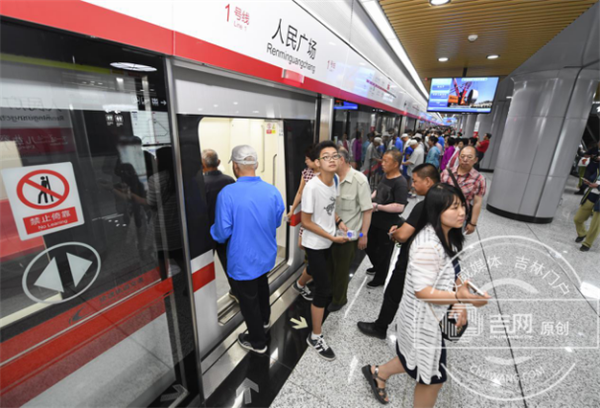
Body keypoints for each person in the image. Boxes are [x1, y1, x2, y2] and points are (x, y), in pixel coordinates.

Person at [362, 183, 490, 406]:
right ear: (436, 211)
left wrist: (459, 301)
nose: (462, 212)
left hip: (428, 317)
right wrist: (460, 298)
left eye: (462, 206)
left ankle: (378, 373)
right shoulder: (428, 245)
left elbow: (451, 270)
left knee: (412, 358)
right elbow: (422, 291)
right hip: (421, 321)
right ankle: (378, 373)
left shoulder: (445, 235)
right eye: (454, 208)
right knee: (432, 379)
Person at [211, 145, 285, 354]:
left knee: (248, 300)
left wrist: (212, 230)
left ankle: (257, 341)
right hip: (265, 255)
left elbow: (221, 233)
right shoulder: (272, 191)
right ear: (257, 164)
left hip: (243, 259)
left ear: (235, 166)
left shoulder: (227, 194)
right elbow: (276, 222)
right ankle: (264, 320)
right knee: (262, 287)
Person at [358, 163, 440, 339]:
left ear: (428, 181)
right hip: (430, 260)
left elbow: (402, 236)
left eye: (416, 181)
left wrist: (396, 233)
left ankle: (381, 327)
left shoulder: (424, 205)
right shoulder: (446, 200)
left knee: (393, 292)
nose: (413, 185)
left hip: (412, 259)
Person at [301, 140, 349, 361]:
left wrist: (339, 222)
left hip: (328, 240)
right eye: (326, 157)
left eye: (334, 156)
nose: (331, 159)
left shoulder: (335, 180)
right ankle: (315, 336)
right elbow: (306, 221)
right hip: (315, 243)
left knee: (316, 271)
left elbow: (330, 209)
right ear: (318, 163)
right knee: (324, 289)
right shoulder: (312, 187)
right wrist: (331, 236)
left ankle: (299, 284)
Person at [329, 148, 372, 311]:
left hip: (348, 235)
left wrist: (363, 235)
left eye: (332, 158)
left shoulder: (359, 180)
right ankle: (331, 293)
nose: (329, 162)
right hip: (329, 232)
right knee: (331, 266)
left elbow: (367, 210)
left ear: (342, 160)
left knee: (341, 270)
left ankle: (339, 300)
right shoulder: (331, 178)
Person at [365, 150, 408, 288]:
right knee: (369, 245)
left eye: (385, 161)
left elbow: (399, 206)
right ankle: (377, 266)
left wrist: (378, 207)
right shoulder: (385, 175)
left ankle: (380, 277)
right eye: (382, 160)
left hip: (387, 223)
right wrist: (369, 198)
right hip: (374, 219)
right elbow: (378, 191)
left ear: (395, 164)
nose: (382, 163)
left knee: (384, 252)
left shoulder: (400, 183)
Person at [201, 149, 236, 299]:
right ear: (219, 162)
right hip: (227, 230)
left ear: (202, 165)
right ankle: (236, 291)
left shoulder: (200, 185)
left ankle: (204, 297)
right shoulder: (230, 181)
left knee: (204, 266)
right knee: (229, 262)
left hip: (206, 233)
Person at [288, 146, 319, 302]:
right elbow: (300, 192)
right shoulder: (306, 173)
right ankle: (310, 272)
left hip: (319, 219)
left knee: (314, 251)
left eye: (308, 159)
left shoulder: (326, 175)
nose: (305, 161)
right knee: (302, 245)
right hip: (308, 217)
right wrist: (292, 210)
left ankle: (307, 276)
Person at [441, 146, 486, 235]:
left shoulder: (479, 179)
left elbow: (477, 203)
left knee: (454, 240)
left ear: (476, 160)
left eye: (469, 157)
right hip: (442, 212)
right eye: (462, 156)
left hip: (459, 216)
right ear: (458, 157)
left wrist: (473, 223)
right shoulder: (446, 172)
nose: (465, 159)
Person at [574, 167, 600, 251]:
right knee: (577, 219)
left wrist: (598, 186)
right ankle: (582, 233)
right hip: (591, 197)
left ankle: (587, 244)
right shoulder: (598, 168)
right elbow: (593, 178)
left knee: (595, 226)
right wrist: (588, 182)